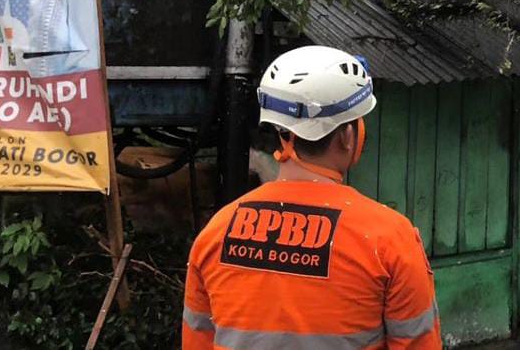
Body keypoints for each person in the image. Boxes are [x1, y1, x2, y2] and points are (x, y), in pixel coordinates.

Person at [183, 45, 442, 350]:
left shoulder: (217, 232)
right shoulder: (390, 239)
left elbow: (196, 342)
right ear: (347, 136)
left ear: (283, 131)